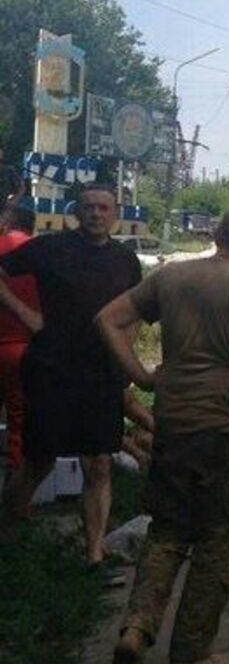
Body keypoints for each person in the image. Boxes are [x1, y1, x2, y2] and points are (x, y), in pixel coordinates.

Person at [96, 207, 229, 664]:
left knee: (166, 532)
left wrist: (142, 376)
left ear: (215, 234)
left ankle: (136, 630)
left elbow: (108, 319)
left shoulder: (170, 276)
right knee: (216, 538)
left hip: (174, 421)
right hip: (227, 427)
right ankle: (189, 656)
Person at [0, 184, 140, 578]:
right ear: (76, 212)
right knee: (38, 460)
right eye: (89, 207)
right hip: (52, 369)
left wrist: (126, 357)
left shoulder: (125, 259)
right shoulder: (50, 248)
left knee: (99, 462)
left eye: (104, 207)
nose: (96, 214)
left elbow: (137, 308)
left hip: (101, 374)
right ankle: (10, 534)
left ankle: (94, 554)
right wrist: (27, 316)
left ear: (115, 213)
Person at [0, 204, 38, 473]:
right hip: (24, 347)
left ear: (6, 222)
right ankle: (14, 486)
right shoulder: (42, 252)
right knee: (20, 418)